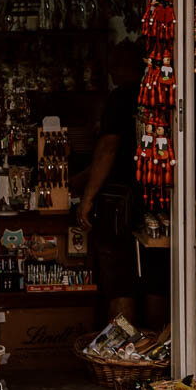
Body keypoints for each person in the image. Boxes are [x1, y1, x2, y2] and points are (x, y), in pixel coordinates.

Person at [74, 40, 144, 323]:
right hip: (149, 198)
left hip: (119, 205)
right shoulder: (154, 95)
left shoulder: (120, 98)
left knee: (119, 281)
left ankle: (120, 353)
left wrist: (87, 199)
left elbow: (108, 151)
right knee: (154, 283)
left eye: (116, 65)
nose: (112, 72)